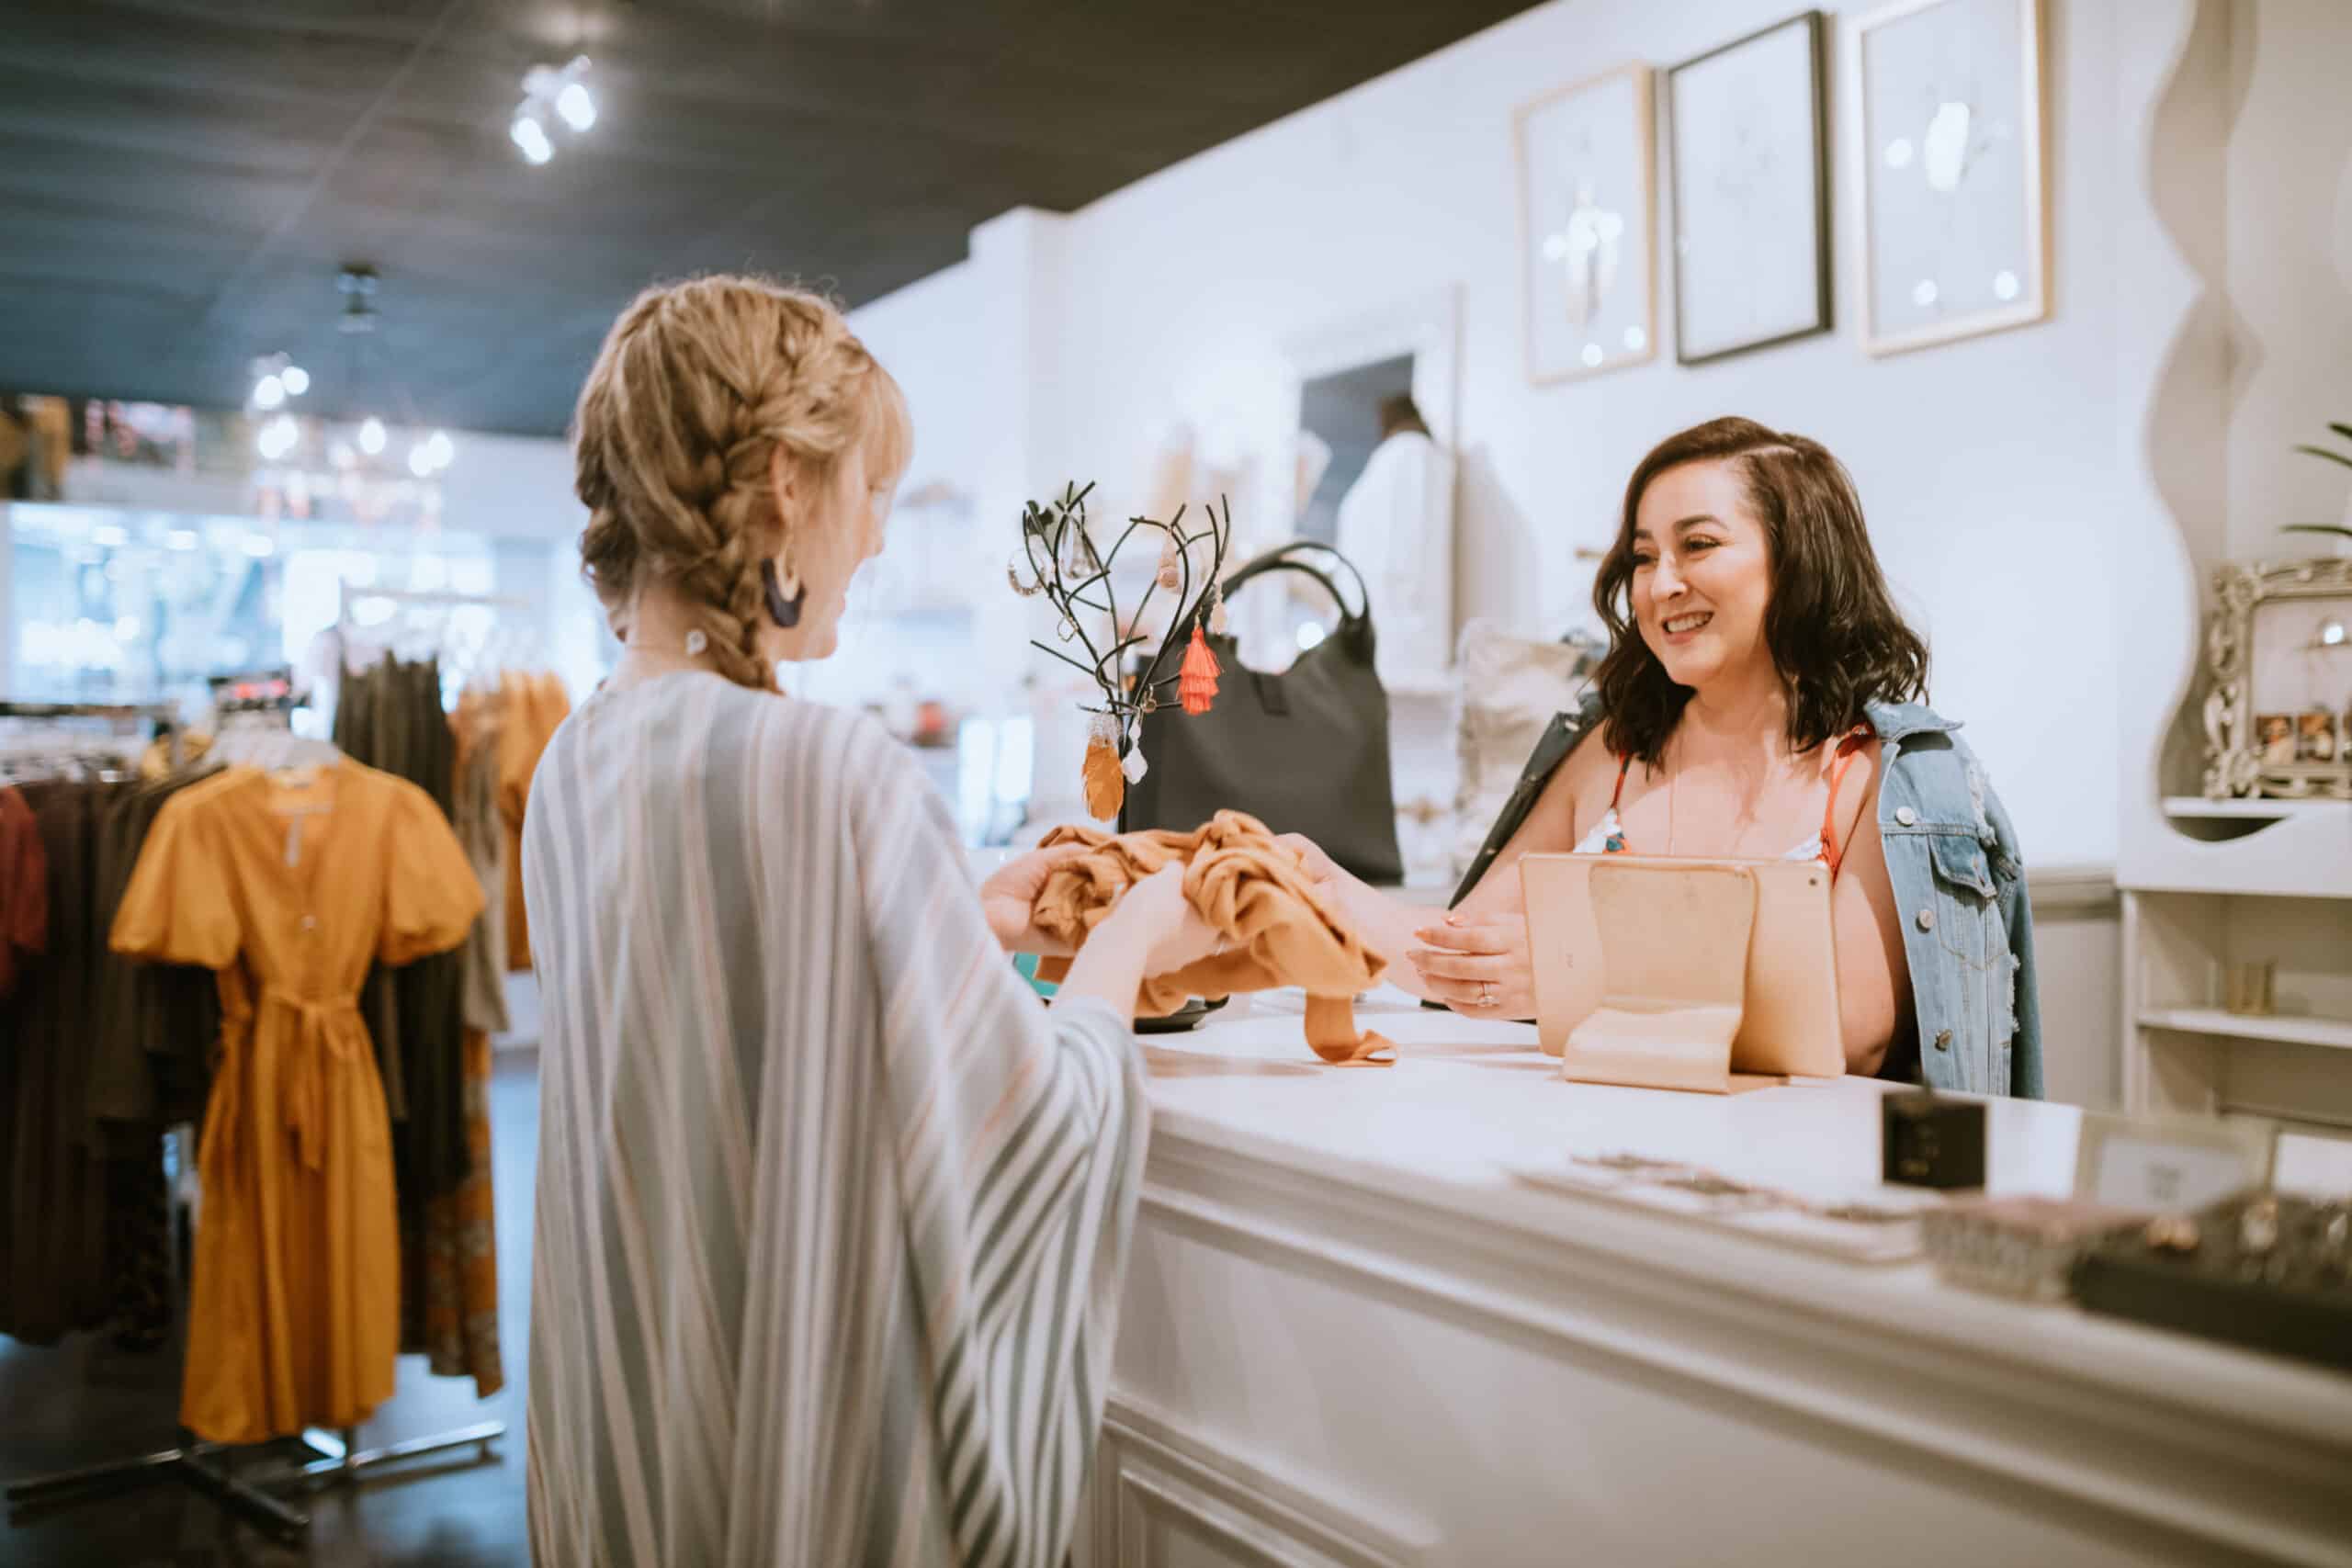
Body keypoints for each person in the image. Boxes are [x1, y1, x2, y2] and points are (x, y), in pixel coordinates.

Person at [522, 275, 1217, 1565]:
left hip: (639, 1424)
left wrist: (952, 906)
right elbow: (1031, 1133)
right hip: (793, 1473)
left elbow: (724, 1017)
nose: (880, 539)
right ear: (787, 480)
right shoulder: (831, 770)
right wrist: (1132, 941)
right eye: (874, 491)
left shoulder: (574, 759)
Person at [1285, 416, 2042, 1096]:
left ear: (1800, 561)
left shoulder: (1882, 774)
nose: (1662, 583)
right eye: (1645, 557)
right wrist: (1322, 888)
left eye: (1699, 545)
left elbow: (1851, 1027)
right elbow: (1463, 958)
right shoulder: (1609, 753)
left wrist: (1573, 977)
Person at [1333, 391, 1455, 682]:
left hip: (1399, 627)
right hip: (1399, 629)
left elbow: (1405, 541)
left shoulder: (1409, 455)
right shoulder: (1413, 457)